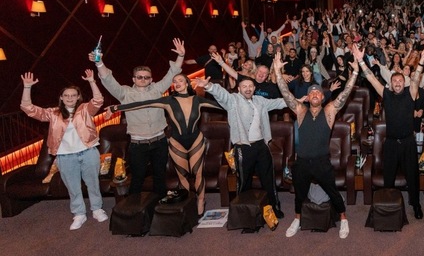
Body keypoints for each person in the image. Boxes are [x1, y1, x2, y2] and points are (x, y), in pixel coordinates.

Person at [275, 46, 360, 239]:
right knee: (299, 194)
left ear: (322, 97)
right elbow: (285, 94)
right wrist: (278, 72)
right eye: (311, 92)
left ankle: (344, 219)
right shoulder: (301, 111)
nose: (314, 94)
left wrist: (355, 71)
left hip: (322, 161)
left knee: (332, 191)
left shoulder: (329, 111)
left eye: (317, 93)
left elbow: (345, 93)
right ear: (308, 97)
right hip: (302, 161)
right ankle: (297, 219)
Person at [108, 74, 222, 214]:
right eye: (174, 81)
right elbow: (143, 104)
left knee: (198, 173)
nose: (177, 83)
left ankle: (200, 201)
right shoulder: (168, 101)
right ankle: (188, 202)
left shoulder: (198, 100)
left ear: (187, 83)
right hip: (176, 142)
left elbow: (224, 105)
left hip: (196, 141)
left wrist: (211, 88)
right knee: (183, 175)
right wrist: (116, 108)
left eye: (180, 80)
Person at [90, 38, 185, 198]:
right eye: (139, 77)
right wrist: (99, 63)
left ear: (151, 79)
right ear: (133, 79)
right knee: (137, 180)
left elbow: (172, 73)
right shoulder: (125, 93)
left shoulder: (156, 89)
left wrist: (181, 56)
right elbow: (108, 80)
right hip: (138, 145)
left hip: (159, 141)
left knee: (160, 178)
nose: (143, 80)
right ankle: (134, 213)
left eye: (146, 77)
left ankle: (159, 209)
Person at [20, 70, 107, 230]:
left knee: (93, 183)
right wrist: (27, 88)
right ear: (61, 97)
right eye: (66, 95)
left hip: (88, 152)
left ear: (78, 97)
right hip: (65, 157)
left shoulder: (84, 110)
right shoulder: (53, 113)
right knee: (72, 187)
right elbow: (28, 108)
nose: (70, 98)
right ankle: (79, 214)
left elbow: (98, 100)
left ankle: (97, 209)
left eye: (73, 95)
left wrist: (92, 81)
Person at [195, 76, 287, 218]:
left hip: (262, 145)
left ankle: (274, 208)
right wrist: (209, 87)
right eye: (244, 86)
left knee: (269, 180)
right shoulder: (233, 100)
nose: (248, 89)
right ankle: (245, 213)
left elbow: (279, 103)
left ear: (254, 88)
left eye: (250, 86)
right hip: (243, 148)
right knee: (244, 183)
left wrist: (297, 101)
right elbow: (222, 95)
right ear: (239, 88)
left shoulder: (260, 101)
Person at [354, 44, 424, 220]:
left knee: (413, 177)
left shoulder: (411, 93)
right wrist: (361, 61)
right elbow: (371, 79)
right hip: (391, 143)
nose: (398, 83)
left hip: (408, 142)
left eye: (400, 80)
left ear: (404, 82)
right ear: (391, 84)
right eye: (395, 81)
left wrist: (422, 59)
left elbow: (416, 78)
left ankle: (415, 204)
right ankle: (388, 204)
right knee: (388, 177)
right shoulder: (386, 95)